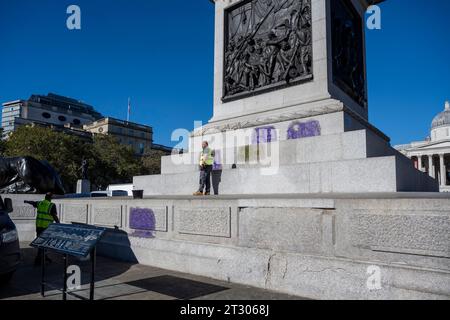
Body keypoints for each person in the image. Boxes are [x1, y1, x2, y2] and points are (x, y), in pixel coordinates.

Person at [24, 192, 60, 265]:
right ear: (51, 198)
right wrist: (58, 224)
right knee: (44, 243)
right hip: (46, 228)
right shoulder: (51, 205)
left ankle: (44, 256)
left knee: (42, 242)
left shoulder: (40, 203)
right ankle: (38, 259)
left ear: (45, 197)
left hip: (39, 226)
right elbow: (54, 215)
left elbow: (33, 203)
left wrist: (26, 201)